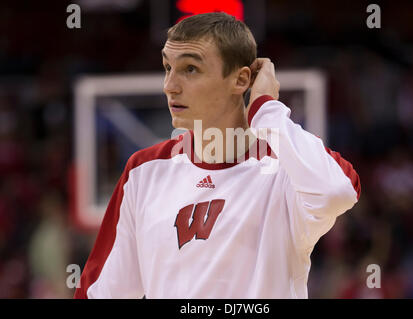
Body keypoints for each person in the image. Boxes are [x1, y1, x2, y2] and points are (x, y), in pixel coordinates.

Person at [74, 12, 360, 299]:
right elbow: (100, 293)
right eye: (167, 67)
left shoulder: (287, 168)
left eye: (190, 69)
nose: (169, 85)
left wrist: (266, 110)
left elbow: (338, 191)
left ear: (241, 80)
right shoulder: (143, 170)